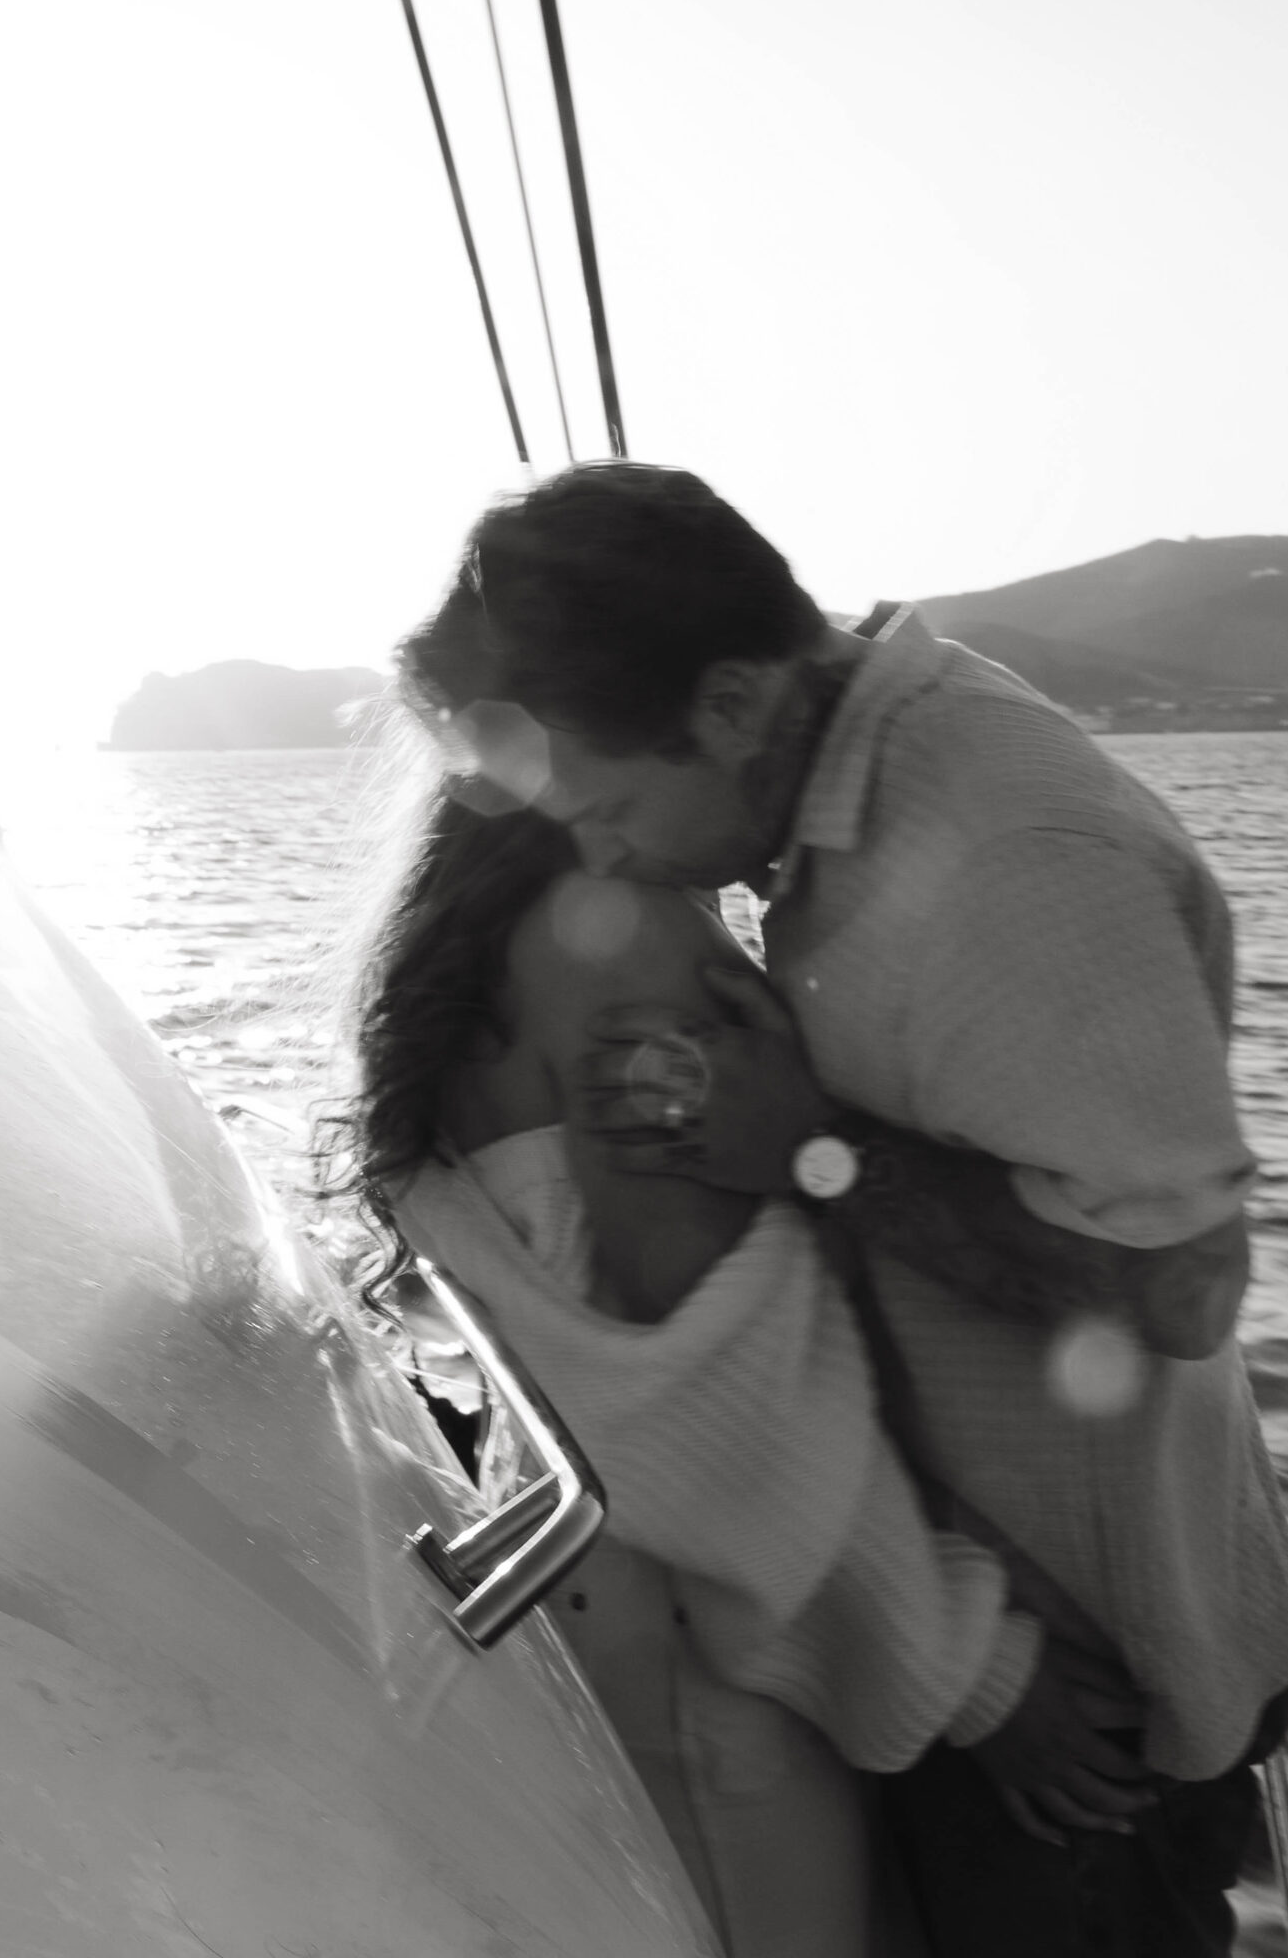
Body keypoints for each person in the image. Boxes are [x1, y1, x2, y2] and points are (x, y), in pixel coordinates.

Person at [396, 460, 1288, 1958]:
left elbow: (1184, 1288)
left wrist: (818, 1151)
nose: (602, 853)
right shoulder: (841, 804)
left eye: (613, 806)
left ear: (738, 702)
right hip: (972, 1641)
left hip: (1090, 1692)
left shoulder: (1010, 853)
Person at [343, 788, 1149, 1958]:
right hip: (722, 1656)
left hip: (599, 1619)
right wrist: (979, 1674)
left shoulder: (455, 937)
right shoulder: (625, 933)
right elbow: (726, 1396)